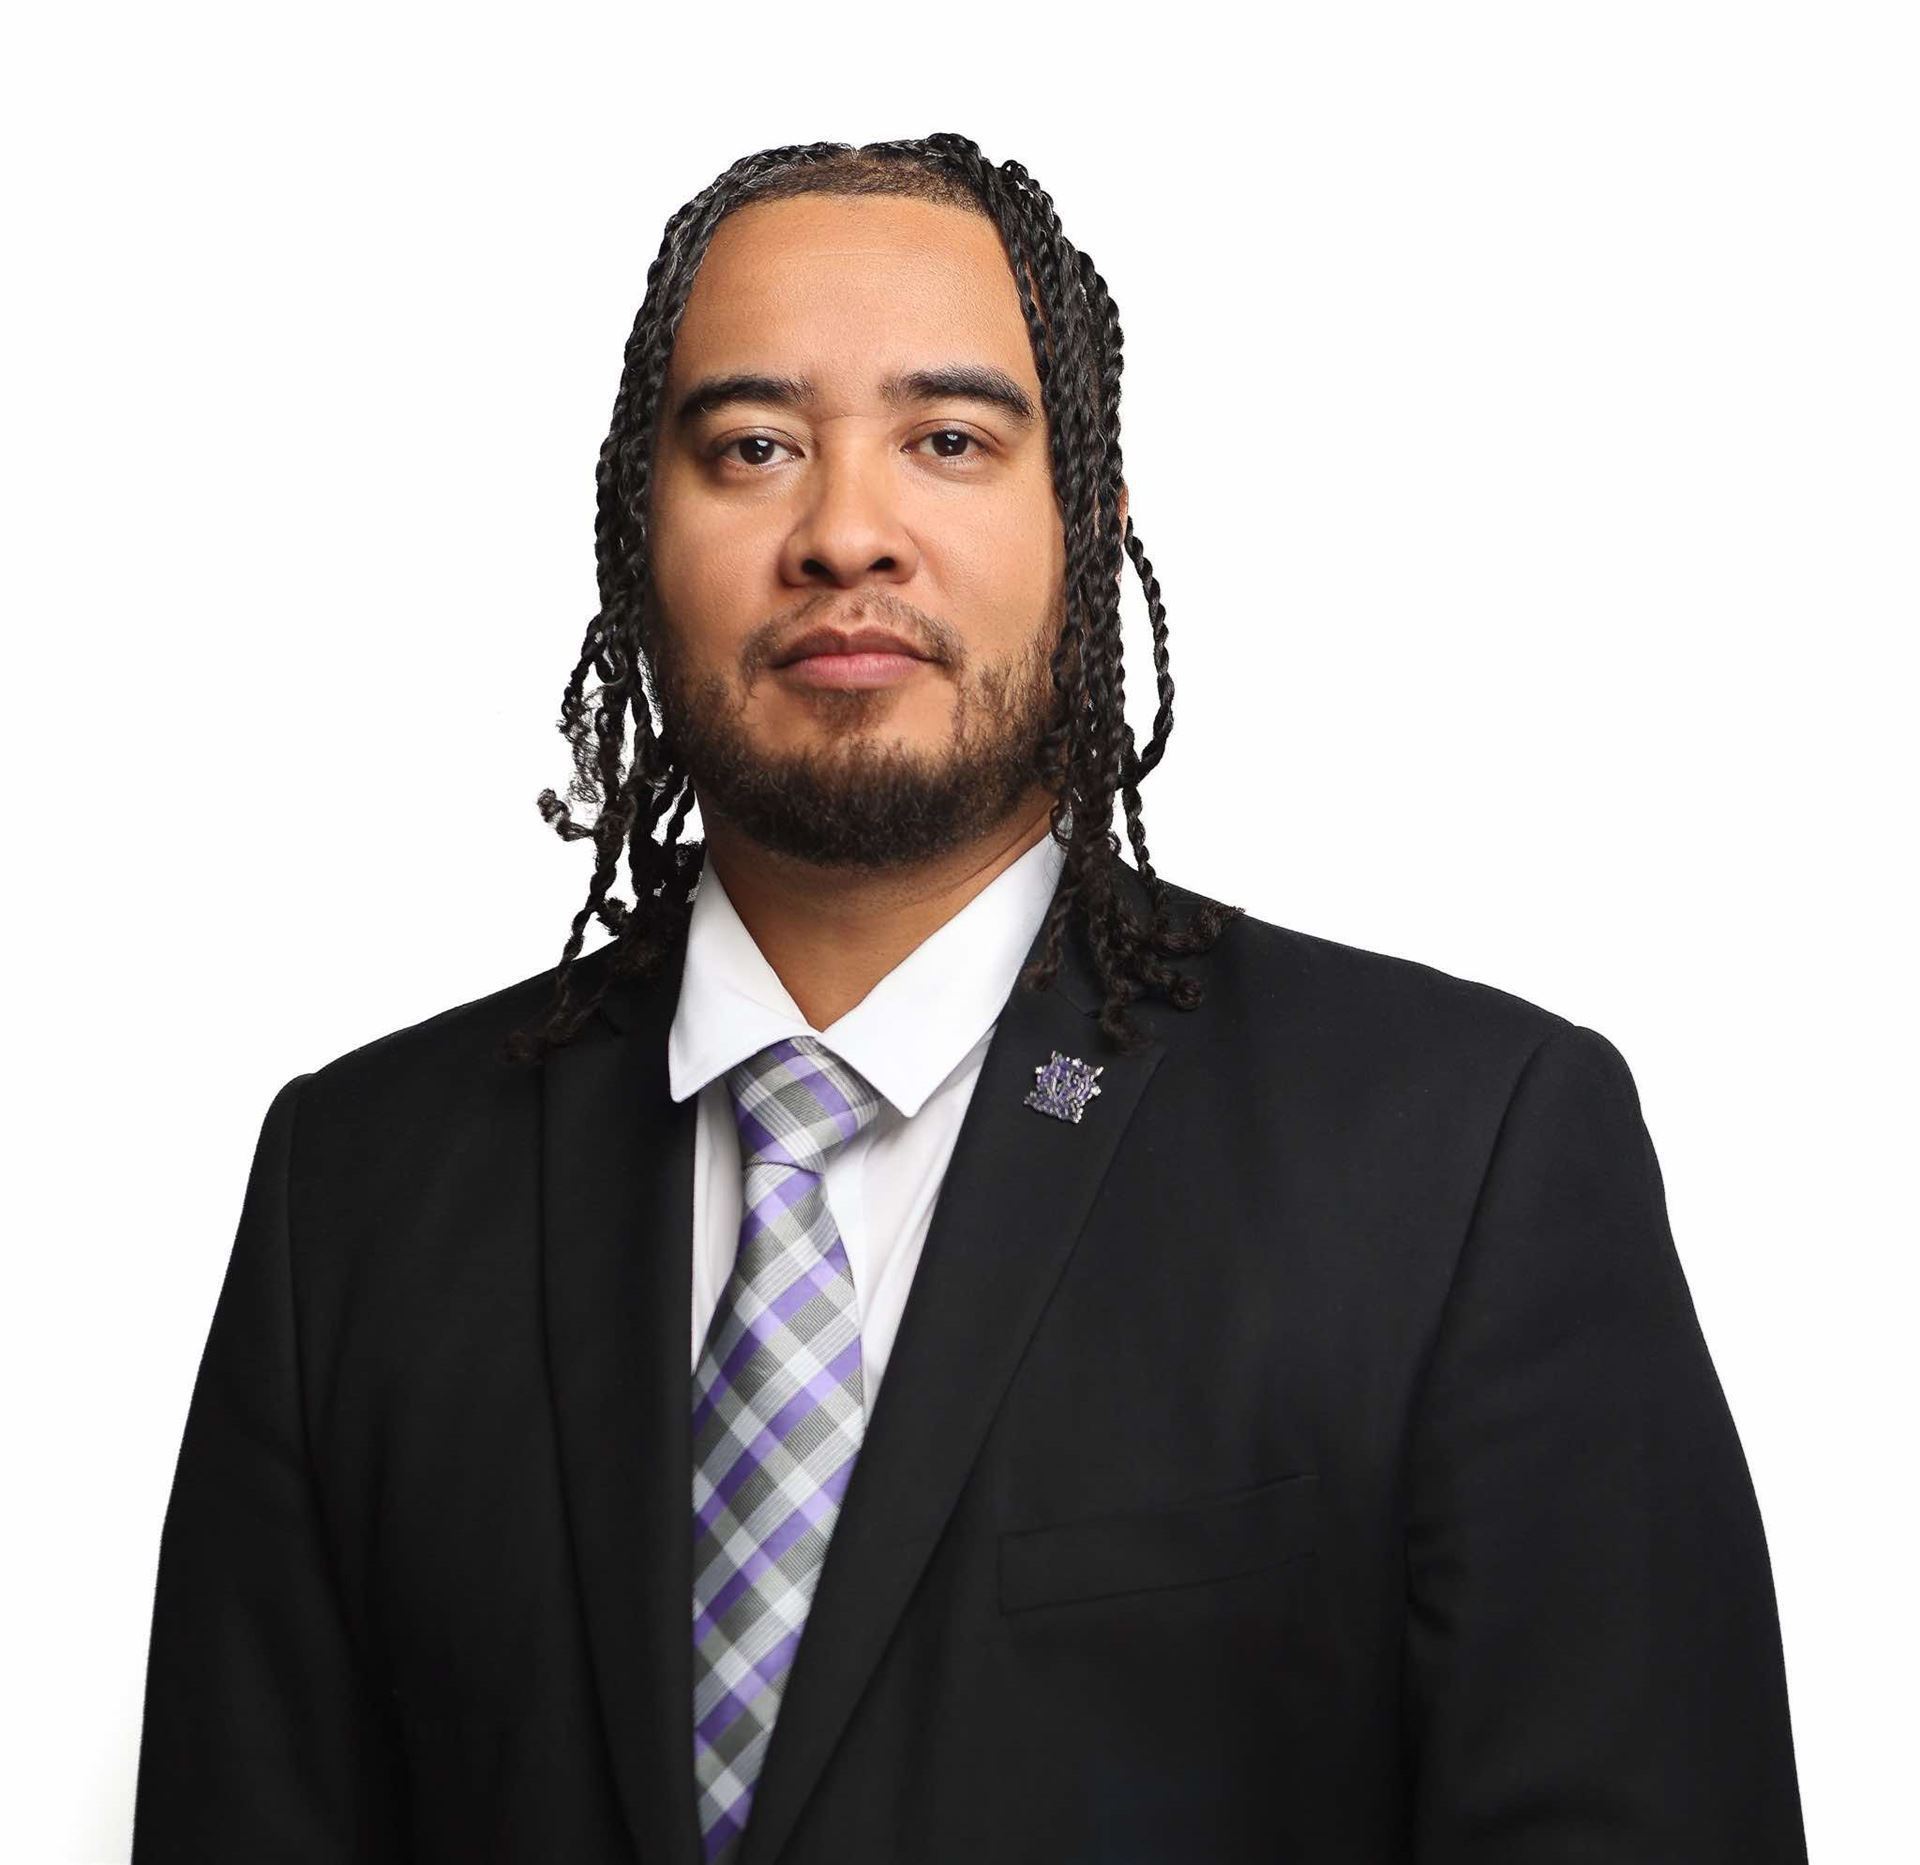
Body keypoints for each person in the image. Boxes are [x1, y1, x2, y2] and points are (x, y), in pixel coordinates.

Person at [131, 134, 1809, 1863]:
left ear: (1089, 519)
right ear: (637, 532)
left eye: (948, 440)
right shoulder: (358, 1189)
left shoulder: (1459, 1158)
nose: (845, 532)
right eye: (754, 446)